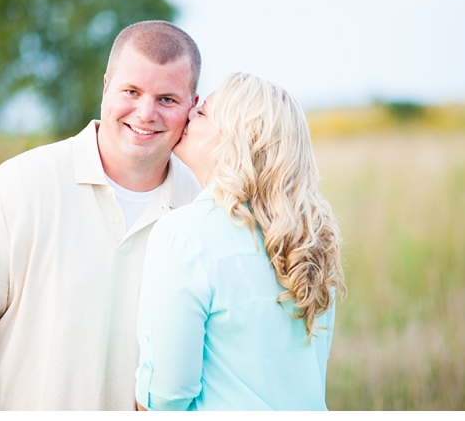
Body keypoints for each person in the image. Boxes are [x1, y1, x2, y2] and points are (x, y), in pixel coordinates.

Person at [0, 20, 203, 410]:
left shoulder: (203, 206)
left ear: (192, 105)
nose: (146, 113)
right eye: (132, 91)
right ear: (106, 87)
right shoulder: (17, 187)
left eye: (167, 99)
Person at [134, 72, 347, 410]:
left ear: (236, 140)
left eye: (203, 113)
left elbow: (166, 397)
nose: (189, 113)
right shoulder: (309, 240)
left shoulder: (185, 233)